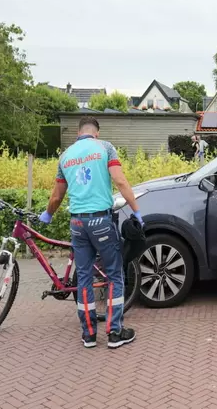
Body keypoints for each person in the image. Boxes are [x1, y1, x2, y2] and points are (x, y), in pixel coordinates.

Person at [38, 116, 143, 348]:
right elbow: (120, 181)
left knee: (83, 277)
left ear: (79, 133)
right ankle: (115, 333)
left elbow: (56, 196)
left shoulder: (65, 156)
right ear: (96, 132)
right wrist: (136, 211)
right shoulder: (105, 147)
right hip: (101, 221)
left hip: (77, 223)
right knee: (114, 274)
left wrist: (48, 214)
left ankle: (88, 335)